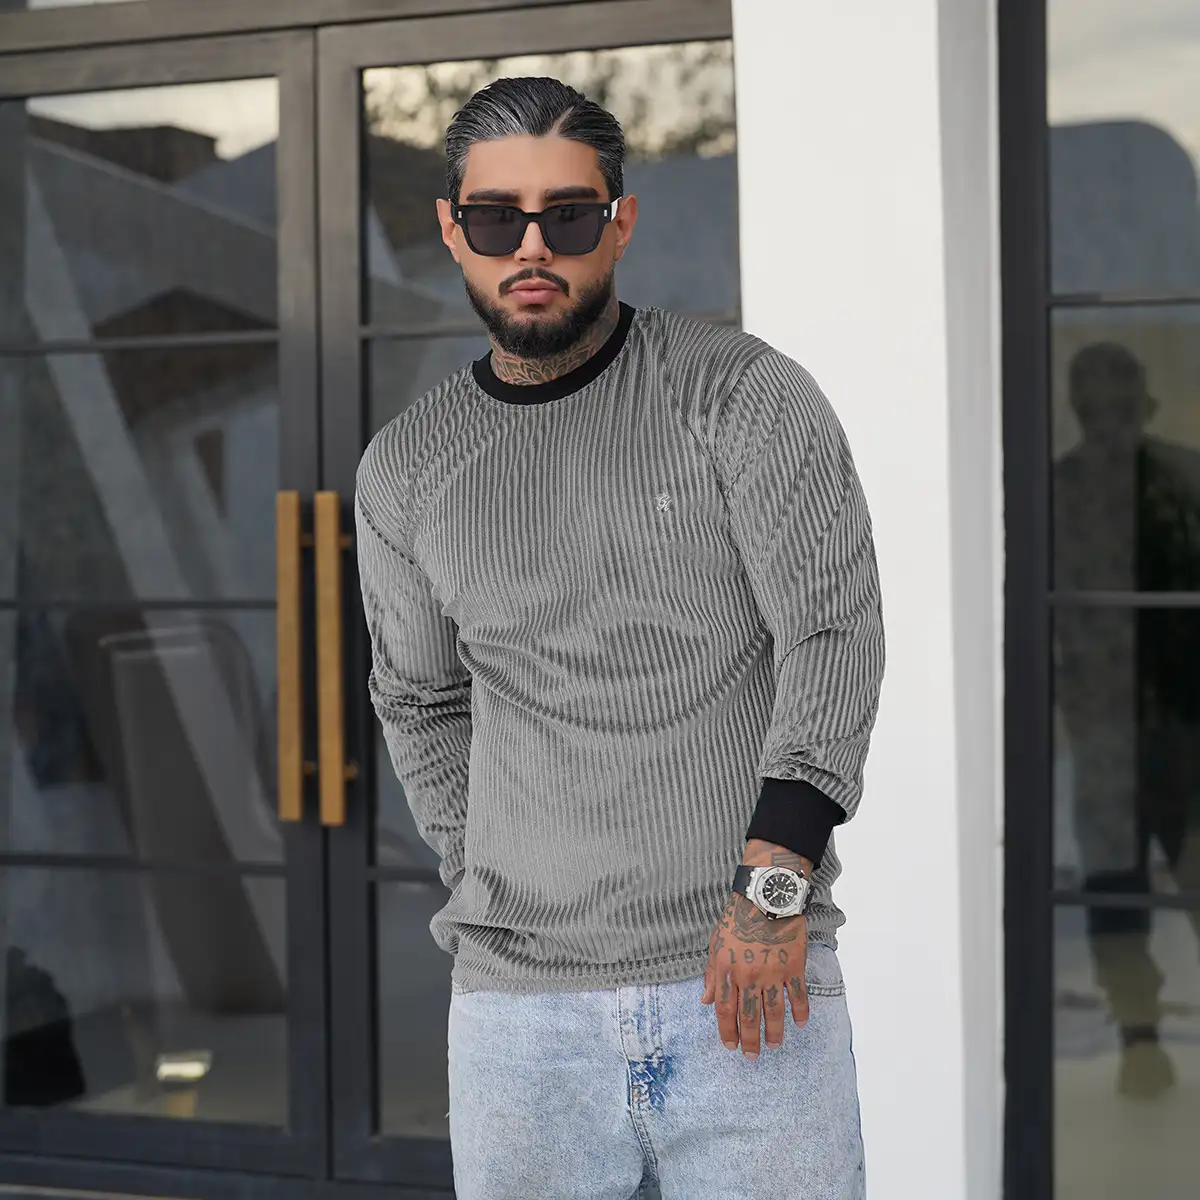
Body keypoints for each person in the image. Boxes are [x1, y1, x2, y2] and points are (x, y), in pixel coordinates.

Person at [355, 76, 885, 1200]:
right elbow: (419, 699)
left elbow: (831, 633)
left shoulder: (741, 396)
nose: (530, 246)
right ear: (451, 227)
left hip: (746, 980)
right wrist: (482, 869)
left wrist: (773, 892)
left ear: (621, 221)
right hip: (518, 1021)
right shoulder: (406, 467)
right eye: (496, 218)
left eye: (568, 215)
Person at [1054, 341, 1200, 1099]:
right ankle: (1138, 1036)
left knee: (1121, 886)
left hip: (1160, 727)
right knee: (1115, 888)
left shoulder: (1181, 480)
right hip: (1117, 727)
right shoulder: (1062, 492)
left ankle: (1139, 1036)